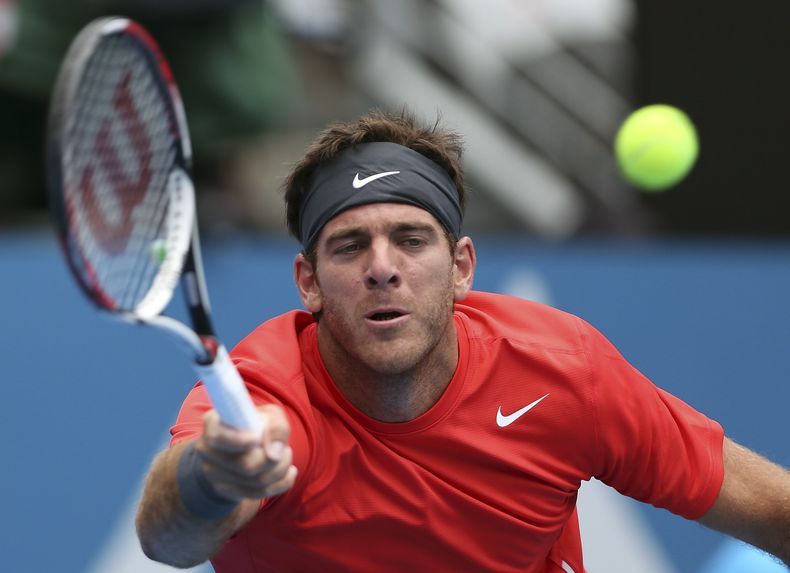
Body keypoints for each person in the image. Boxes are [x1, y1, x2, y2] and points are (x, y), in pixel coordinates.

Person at [135, 110, 790, 573]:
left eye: (412, 239)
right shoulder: (264, 398)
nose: (382, 266)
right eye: (350, 244)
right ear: (308, 282)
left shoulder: (562, 371)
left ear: (462, 268)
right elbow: (168, 537)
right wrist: (209, 477)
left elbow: (772, 509)